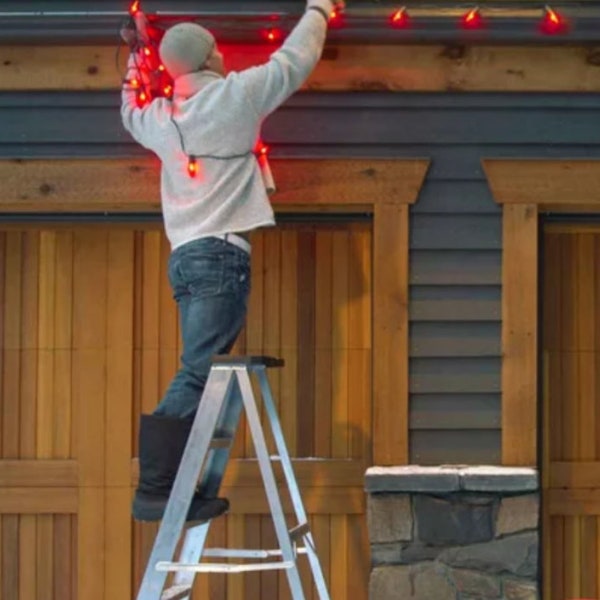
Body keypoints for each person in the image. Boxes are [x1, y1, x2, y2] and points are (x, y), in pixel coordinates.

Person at [121, 0, 343, 522]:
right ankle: (156, 489)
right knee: (199, 372)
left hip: (186, 257)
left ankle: (172, 488)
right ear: (212, 56)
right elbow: (293, 62)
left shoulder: (160, 117)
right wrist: (319, 10)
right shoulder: (236, 97)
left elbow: (129, 107)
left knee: (199, 369)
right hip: (220, 254)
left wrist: (136, 54)